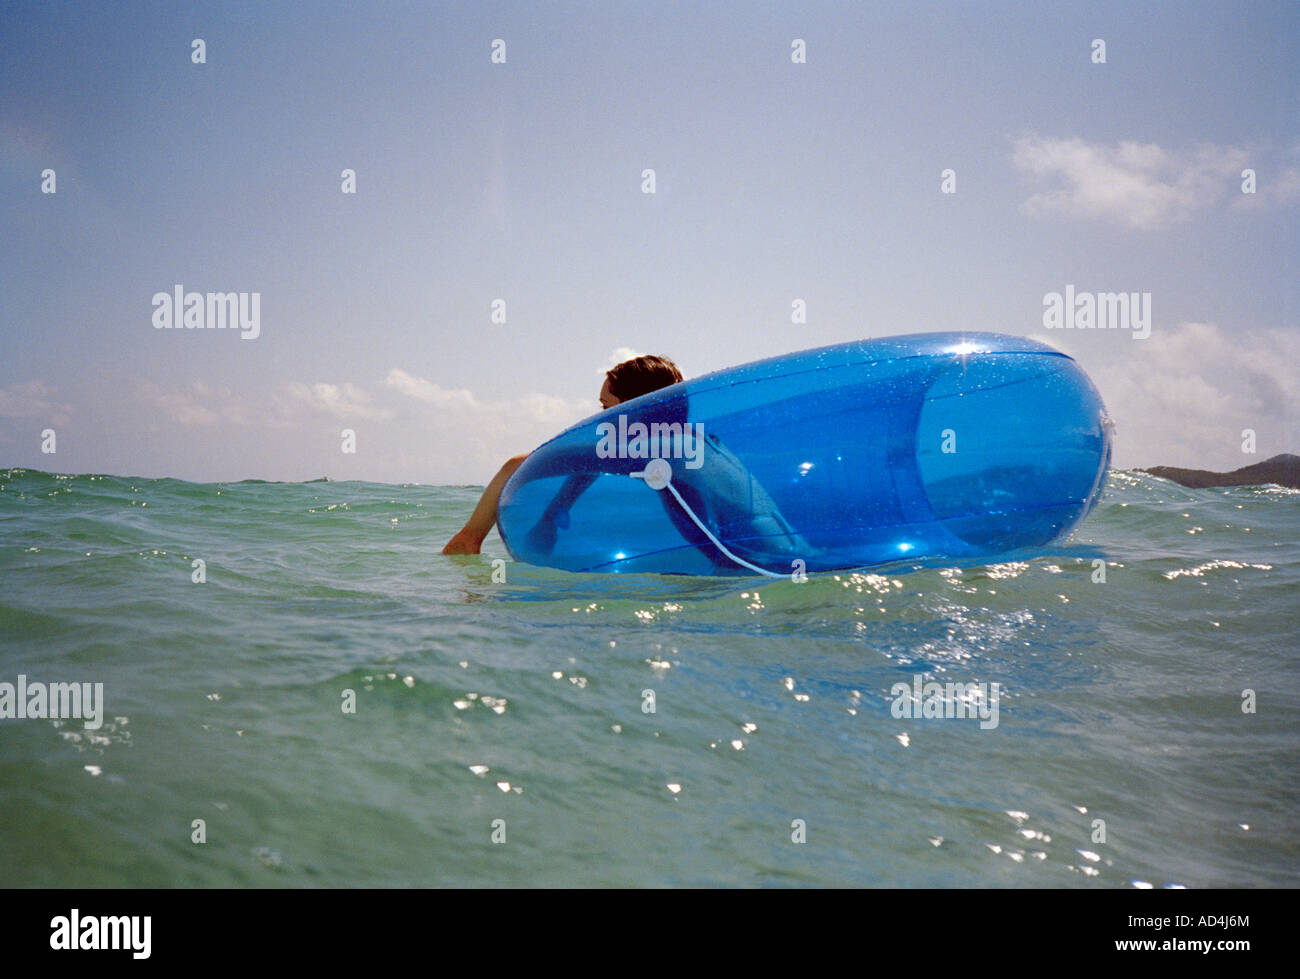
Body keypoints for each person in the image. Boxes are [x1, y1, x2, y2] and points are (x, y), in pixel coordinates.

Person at [441, 354, 683, 554]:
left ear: (636, 410)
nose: (600, 421)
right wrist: (552, 515)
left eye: (607, 408)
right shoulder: (693, 449)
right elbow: (590, 466)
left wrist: (471, 537)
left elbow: (516, 466)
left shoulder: (650, 455)